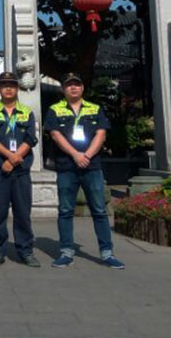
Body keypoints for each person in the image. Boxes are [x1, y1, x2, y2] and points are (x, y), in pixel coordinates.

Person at [44, 72, 125, 269]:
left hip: (92, 166)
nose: (73, 88)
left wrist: (86, 155)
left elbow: (101, 134)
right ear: (63, 89)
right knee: (65, 210)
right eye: (69, 85)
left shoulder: (94, 109)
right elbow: (55, 135)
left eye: (77, 84)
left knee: (99, 210)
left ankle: (107, 253)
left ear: (82, 88)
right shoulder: (55, 110)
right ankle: (66, 251)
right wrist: (75, 155)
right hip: (67, 166)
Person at [0, 71, 41, 267]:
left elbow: (30, 139)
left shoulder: (26, 112)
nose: (8, 88)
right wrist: (8, 156)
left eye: (12, 85)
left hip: (20, 170)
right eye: (4, 85)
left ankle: (25, 250)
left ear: (17, 89)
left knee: (23, 213)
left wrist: (15, 159)